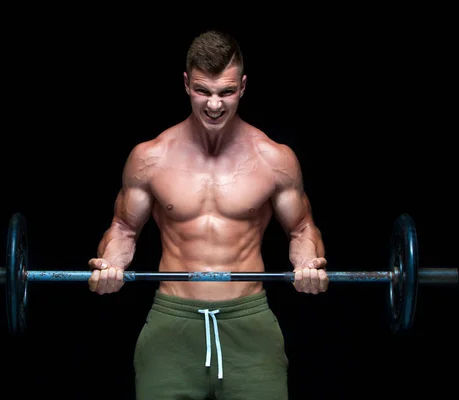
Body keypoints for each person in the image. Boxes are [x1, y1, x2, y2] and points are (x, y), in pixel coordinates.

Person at [88, 29, 328, 400]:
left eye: (226, 92)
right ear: (186, 83)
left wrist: (309, 263)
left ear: (243, 87)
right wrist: (111, 264)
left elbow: (301, 229)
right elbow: (124, 228)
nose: (214, 105)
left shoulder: (274, 159)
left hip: (248, 321)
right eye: (203, 90)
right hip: (172, 322)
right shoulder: (151, 157)